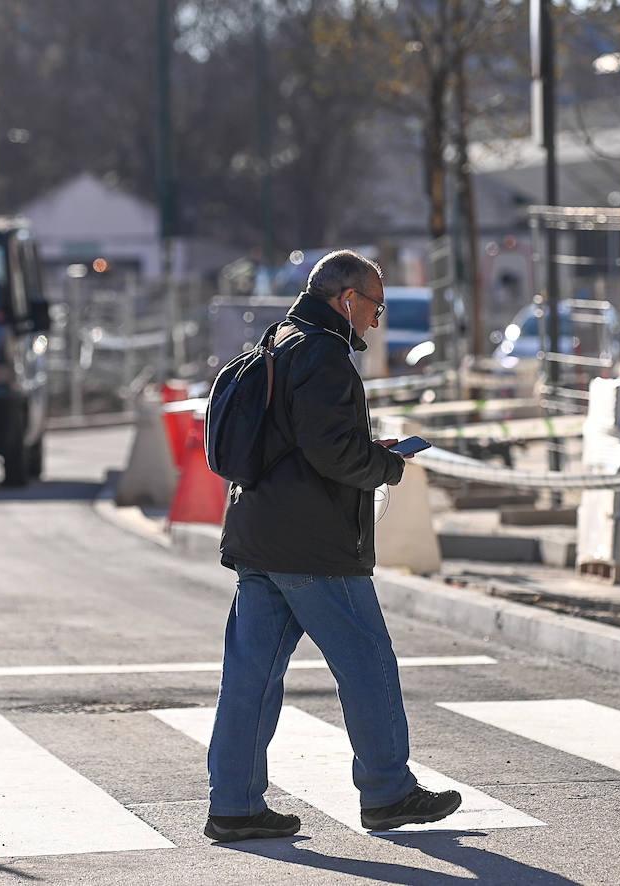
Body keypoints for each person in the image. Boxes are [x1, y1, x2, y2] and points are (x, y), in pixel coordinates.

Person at [204, 249, 462, 842]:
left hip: (258, 536)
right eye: (374, 303)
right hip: (313, 546)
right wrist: (388, 463)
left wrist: (365, 450)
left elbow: (303, 442)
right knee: (367, 662)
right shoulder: (324, 355)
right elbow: (333, 453)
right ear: (346, 299)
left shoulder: (278, 340)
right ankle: (389, 793)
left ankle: (235, 805)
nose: (377, 318)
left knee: (251, 677)